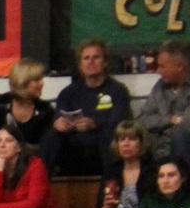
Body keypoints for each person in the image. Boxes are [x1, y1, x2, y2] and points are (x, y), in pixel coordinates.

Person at [42, 38, 131, 176]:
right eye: (86, 58)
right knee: (50, 136)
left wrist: (94, 124)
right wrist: (58, 123)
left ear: (105, 62)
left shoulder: (118, 91)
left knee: (109, 136)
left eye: (96, 57)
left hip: (100, 145)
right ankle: (42, 180)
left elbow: (121, 123)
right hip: (74, 147)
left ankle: (111, 182)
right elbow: (58, 117)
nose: (91, 62)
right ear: (80, 65)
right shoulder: (68, 93)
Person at [135, 39, 190, 177]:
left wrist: (160, 124)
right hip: (161, 147)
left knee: (181, 135)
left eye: (162, 66)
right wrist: (171, 119)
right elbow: (141, 120)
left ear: (179, 66)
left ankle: (185, 185)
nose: (158, 71)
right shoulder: (160, 87)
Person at [0, 57, 53, 153]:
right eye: (37, 80)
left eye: (41, 79)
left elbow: (46, 148)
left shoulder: (45, 110)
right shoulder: (0, 103)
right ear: (22, 82)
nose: (42, 83)